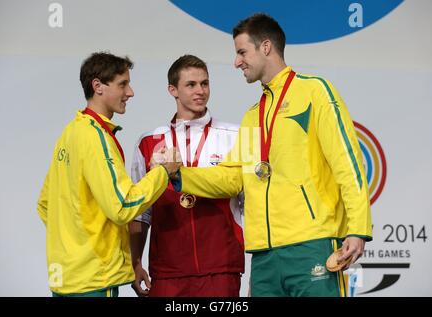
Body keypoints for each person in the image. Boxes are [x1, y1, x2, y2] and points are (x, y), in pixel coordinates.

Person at [169, 14, 372, 297]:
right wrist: (179, 175)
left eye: (242, 52)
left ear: (266, 47)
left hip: (311, 244)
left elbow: (347, 163)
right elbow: (232, 177)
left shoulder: (314, 92)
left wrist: (358, 228)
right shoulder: (253, 115)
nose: (236, 62)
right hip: (264, 255)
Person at [37, 52, 181, 297]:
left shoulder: (70, 132)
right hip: (94, 280)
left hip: (67, 280)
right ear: (97, 86)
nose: (131, 92)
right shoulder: (96, 137)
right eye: (123, 84)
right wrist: (163, 172)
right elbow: (123, 205)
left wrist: (75, 246)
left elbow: (45, 205)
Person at [129, 55, 245, 297]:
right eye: (191, 85)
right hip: (167, 270)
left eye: (205, 83)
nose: (200, 91)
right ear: (173, 90)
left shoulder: (234, 135)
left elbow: (249, 202)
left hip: (221, 267)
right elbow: (141, 211)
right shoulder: (149, 142)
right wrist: (136, 261)